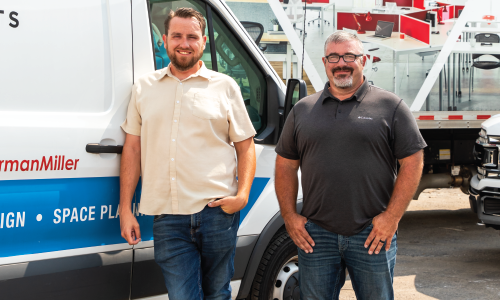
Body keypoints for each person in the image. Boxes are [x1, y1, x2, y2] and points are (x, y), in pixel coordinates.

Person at [275, 31, 426, 300]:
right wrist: (289, 217)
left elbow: (413, 162)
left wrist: (391, 218)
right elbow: (285, 165)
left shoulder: (390, 106)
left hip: (373, 234)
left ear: (363, 60)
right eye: (334, 57)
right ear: (325, 61)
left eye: (349, 56)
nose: (341, 63)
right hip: (316, 236)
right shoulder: (302, 110)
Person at [118, 7, 257, 300]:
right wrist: (126, 209)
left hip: (217, 213)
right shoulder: (144, 88)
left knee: (217, 293)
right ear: (165, 40)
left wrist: (242, 195)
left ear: (203, 42)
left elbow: (246, 146)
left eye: (192, 37)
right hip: (168, 218)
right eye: (177, 36)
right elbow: (132, 148)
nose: (184, 43)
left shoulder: (225, 87)